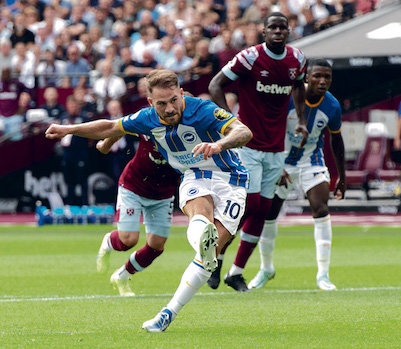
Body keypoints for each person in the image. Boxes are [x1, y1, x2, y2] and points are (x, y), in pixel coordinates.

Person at [45, 69, 252, 332]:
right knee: (199, 218)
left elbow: (243, 131)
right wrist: (68, 129)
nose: (169, 109)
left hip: (232, 179)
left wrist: (220, 145)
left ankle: (170, 311)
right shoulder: (147, 119)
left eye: (173, 100)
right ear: (151, 102)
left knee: (206, 255)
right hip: (194, 175)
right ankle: (167, 313)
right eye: (161, 104)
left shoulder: (202, 110)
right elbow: (110, 127)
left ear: (180, 93)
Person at [208, 11, 308, 292]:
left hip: (276, 148)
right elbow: (215, 84)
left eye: (282, 28)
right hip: (247, 146)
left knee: (263, 211)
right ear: (263, 32)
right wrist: (229, 123)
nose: (277, 32)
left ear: (288, 31)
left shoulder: (297, 59)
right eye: (272, 27)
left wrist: (301, 119)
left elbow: (299, 85)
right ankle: (217, 257)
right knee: (249, 206)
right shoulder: (249, 57)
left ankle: (235, 272)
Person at [246, 59, 346, 291]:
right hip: (281, 162)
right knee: (269, 213)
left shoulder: (332, 105)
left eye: (327, 77)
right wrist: (274, 164)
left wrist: (342, 175)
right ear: (307, 77)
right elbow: (268, 130)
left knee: (321, 208)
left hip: (312, 162)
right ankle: (266, 268)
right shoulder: (287, 99)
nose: (323, 81)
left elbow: (336, 140)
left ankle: (323, 274)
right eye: (317, 76)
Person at [94, 127, 180, 297]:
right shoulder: (150, 121)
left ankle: (122, 276)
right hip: (133, 187)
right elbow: (120, 127)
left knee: (156, 246)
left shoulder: (194, 131)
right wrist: (106, 144)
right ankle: (109, 242)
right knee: (128, 240)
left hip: (163, 195)